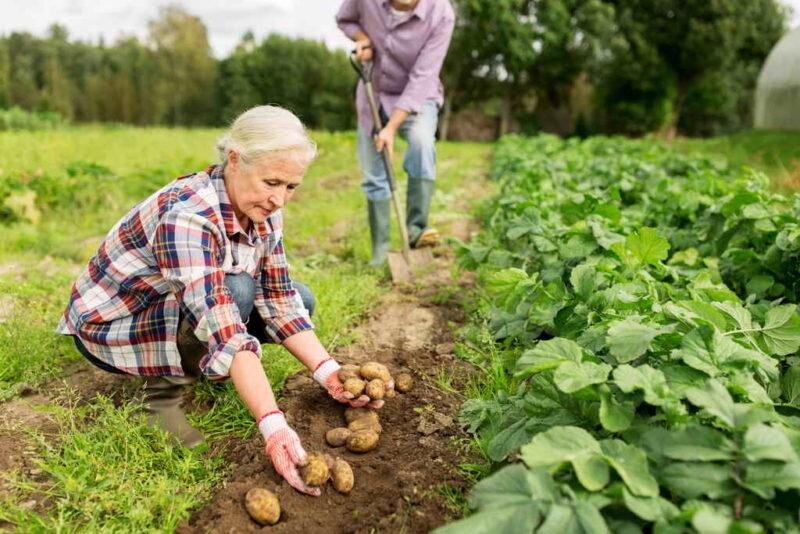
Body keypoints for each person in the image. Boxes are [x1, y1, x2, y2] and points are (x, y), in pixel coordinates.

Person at [56, 105, 388, 496]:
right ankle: (163, 389)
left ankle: (207, 364)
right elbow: (224, 324)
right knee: (237, 292)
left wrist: (328, 372)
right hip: (116, 326)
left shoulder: (261, 206)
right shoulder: (188, 215)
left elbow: (280, 299)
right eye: (272, 182)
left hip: (179, 307)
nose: (280, 199)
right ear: (234, 159)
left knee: (301, 297)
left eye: (291, 187)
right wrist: (274, 426)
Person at [336, 0, 455, 266]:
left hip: (418, 95)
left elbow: (424, 75)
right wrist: (362, 38)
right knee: (374, 174)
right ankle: (380, 252)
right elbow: (345, 19)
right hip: (374, 92)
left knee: (422, 144)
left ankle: (416, 229)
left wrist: (391, 128)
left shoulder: (441, 13)